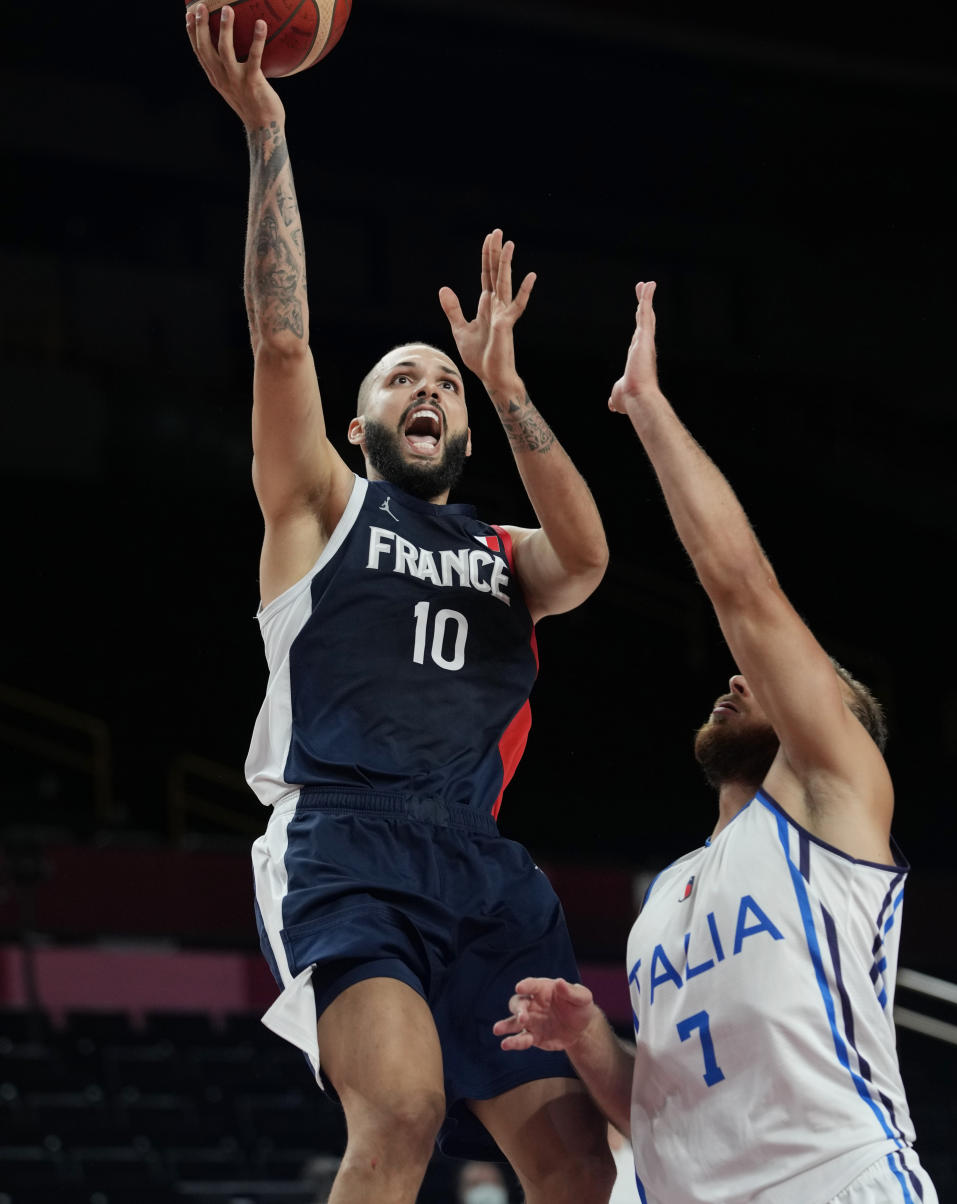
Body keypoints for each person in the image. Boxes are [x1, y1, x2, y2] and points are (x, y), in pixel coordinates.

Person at [184, 8, 615, 1204]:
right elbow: (281, 346)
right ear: (362, 424)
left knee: (582, 1158)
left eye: (440, 379)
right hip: (348, 844)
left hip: (479, 863)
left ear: (462, 427)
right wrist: (268, 131)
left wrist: (509, 383)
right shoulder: (321, 508)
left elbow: (586, 556)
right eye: (399, 378)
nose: (424, 385)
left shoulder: (498, 547)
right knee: (407, 1111)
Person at [495, 281, 939, 1203]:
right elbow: (663, 1113)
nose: (737, 678)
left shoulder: (834, 796)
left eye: (772, 684)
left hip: (833, 1182)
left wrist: (649, 413)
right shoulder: (666, 897)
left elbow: (742, 590)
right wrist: (588, 1043)